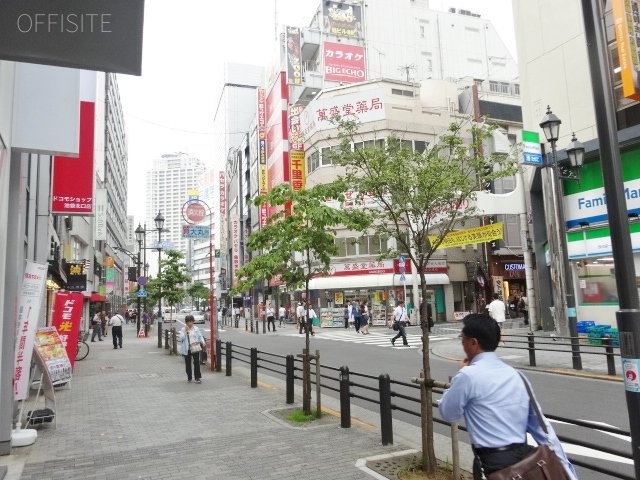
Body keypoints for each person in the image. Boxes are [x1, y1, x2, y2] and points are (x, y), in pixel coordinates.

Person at [438, 314, 578, 480]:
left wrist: (459, 374)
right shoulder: (517, 376)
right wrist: (567, 472)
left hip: (493, 463)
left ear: (473, 343)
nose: (461, 342)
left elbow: (448, 413)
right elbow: (542, 429)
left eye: (462, 337)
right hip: (526, 462)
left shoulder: (468, 376)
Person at [178, 315, 205, 383]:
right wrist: (185, 331)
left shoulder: (196, 328)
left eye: (191, 321)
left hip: (195, 347)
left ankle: (197, 378)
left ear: (193, 321)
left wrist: (203, 342)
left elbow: (200, 336)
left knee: (196, 363)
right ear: (186, 322)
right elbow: (181, 338)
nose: (190, 323)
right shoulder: (183, 329)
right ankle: (189, 377)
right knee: (188, 364)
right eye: (188, 322)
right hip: (187, 349)